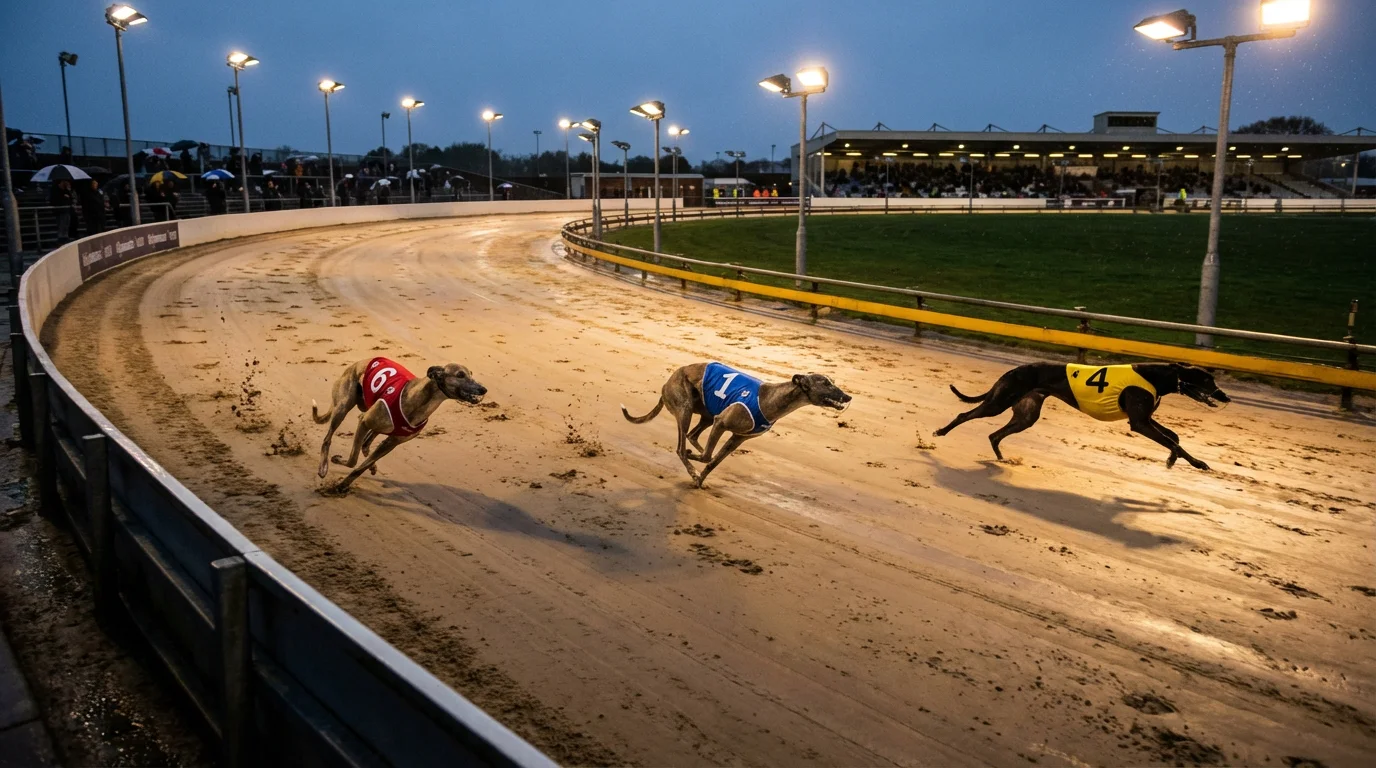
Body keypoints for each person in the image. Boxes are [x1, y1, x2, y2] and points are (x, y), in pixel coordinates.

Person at [49, 179, 76, 243]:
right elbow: (54, 200)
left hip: (67, 210)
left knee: (66, 224)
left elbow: (71, 199)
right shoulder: (55, 190)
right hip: (60, 210)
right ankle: (61, 237)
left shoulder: (66, 190)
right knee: (61, 224)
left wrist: (68, 192)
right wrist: (63, 197)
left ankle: (65, 236)